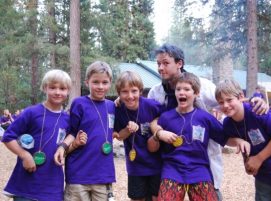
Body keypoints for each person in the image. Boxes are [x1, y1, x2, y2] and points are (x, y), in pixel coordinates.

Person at [147, 44, 267, 200]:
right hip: (170, 162)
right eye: (158, 64)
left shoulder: (202, 86)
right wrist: (120, 103)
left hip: (200, 158)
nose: (160, 68)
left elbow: (229, 102)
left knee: (212, 192)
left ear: (179, 63)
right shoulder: (156, 92)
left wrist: (255, 102)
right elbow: (150, 118)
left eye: (165, 63)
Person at [148, 72, 249, 201]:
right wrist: (158, 135)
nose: (181, 93)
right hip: (172, 170)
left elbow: (224, 139)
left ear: (196, 93)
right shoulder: (166, 118)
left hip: (199, 170)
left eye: (186, 89)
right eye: (178, 89)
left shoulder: (205, 118)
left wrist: (239, 141)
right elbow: (151, 147)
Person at [215, 79, 271, 201]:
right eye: (221, 102)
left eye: (229, 100)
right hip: (264, 173)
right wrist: (247, 162)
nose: (225, 105)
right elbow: (231, 139)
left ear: (241, 97)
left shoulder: (257, 110)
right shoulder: (228, 123)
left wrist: (258, 159)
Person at [1, 69, 72, 201]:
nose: (57, 92)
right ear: (45, 88)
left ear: (68, 91)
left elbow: (72, 135)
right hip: (26, 184)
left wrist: (63, 147)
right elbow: (8, 137)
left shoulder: (67, 119)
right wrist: (25, 155)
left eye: (62, 88)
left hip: (53, 187)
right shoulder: (31, 112)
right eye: (52, 87)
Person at [57, 61, 116, 201]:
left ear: (110, 83)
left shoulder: (113, 106)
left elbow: (117, 133)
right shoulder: (79, 103)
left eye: (105, 82)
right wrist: (65, 146)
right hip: (78, 174)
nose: (100, 86)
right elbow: (71, 132)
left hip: (103, 175)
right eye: (95, 82)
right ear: (87, 82)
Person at [114, 71, 165, 201]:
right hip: (135, 166)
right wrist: (127, 129)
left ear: (140, 91)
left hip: (156, 163)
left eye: (134, 91)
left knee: (157, 197)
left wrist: (156, 123)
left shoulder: (151, 106)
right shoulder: (118, 110)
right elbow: (119, 137)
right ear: (119, 93)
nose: (130, 96)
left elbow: (166, 117)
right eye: (124, 92)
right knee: (137, 198)